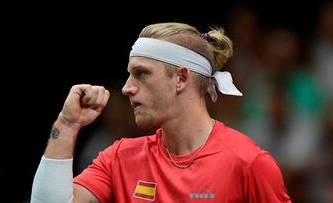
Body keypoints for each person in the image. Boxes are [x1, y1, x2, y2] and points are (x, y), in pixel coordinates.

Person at [31, 22, 291, 202]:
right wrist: (66, 125)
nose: (126, 88)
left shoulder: (249, 163)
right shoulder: (119, 158)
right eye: (129, 75)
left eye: (141, 73)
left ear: (181, 78)